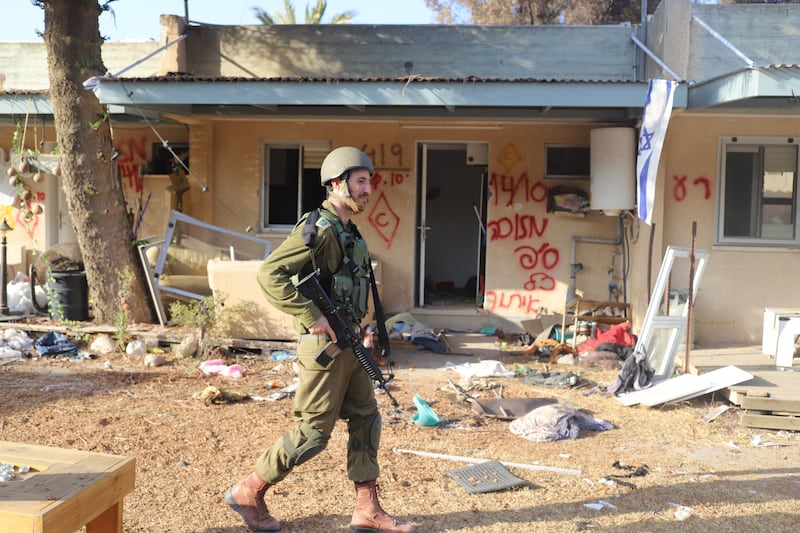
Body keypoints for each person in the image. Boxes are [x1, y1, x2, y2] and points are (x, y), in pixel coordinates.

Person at [225, 146, 416, 533]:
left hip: (349, 343)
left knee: (366, 417)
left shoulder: (349, 232)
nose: (367, 190)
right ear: (336, 183)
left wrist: (364, 331)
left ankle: (367, 510)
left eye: (368, 182)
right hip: (325, 350)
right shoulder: (321, 229)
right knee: (313, 434)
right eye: (360, 182)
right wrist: (311, 316)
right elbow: (271, 274)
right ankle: (248, 490)